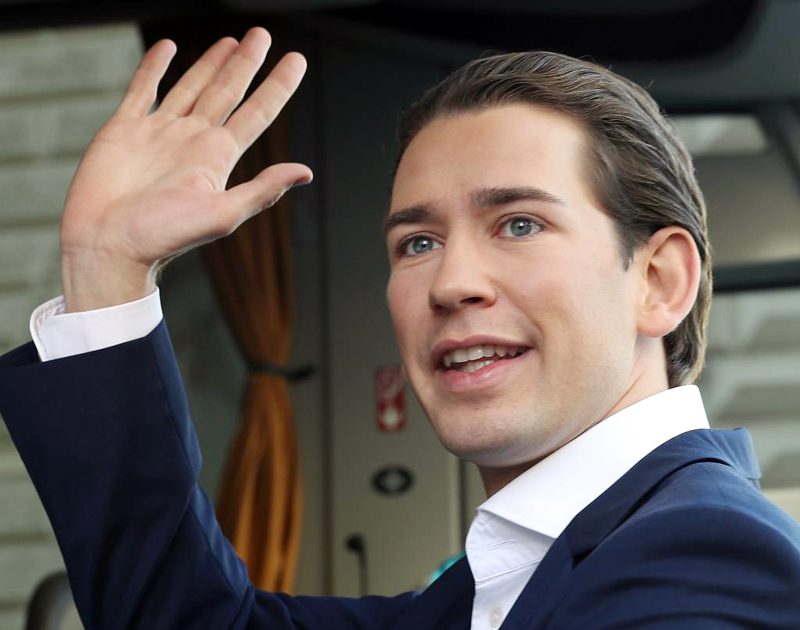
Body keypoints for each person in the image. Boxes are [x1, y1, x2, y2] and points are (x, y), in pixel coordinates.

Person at [1, 26, 799, 629]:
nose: (451, 283)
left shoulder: (703, 562)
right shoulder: (495, 584)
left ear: (659, 281)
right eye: (417, 243)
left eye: (519, 224)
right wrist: (107, 266)